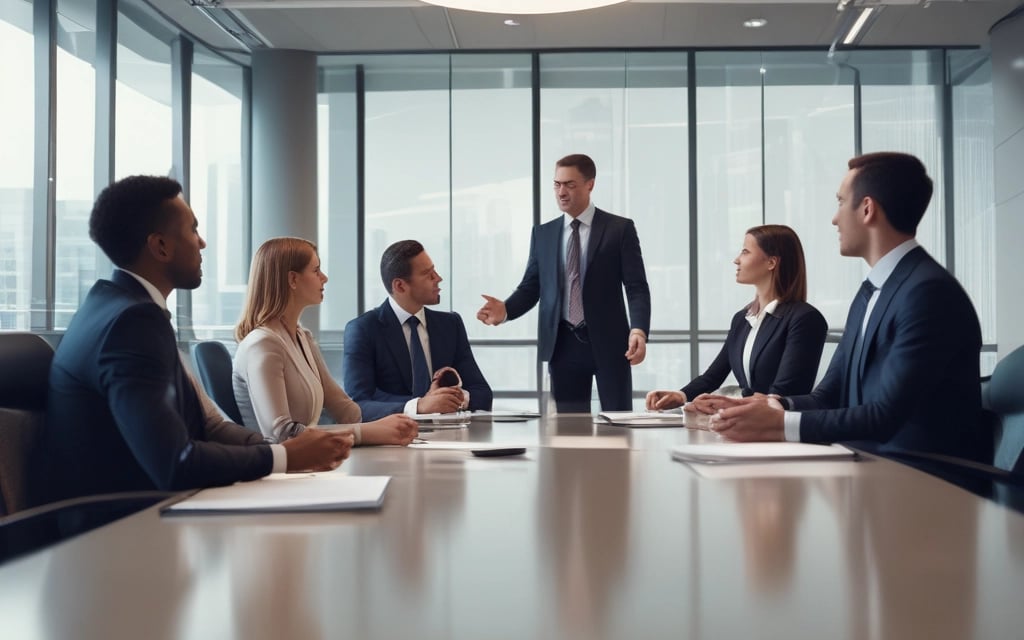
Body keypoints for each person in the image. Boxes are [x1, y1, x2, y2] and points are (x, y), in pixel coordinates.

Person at [37, 176, 352, 505]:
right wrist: (284, 459)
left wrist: (280, 452)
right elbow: (176, 463)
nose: (202, 243)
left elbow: (204, 426)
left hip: (144, 508)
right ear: (161, 246)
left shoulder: (117, 307)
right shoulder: (131, 323)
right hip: (121, 528)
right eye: (192, 230)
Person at [709, 152, 983, 459]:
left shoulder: (927, 293)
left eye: (840, 202)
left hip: (921, 477)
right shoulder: (871, 292)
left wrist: (781, 424)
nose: (834, 218)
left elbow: (885, 416)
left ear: (867, 209)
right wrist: (772, 405)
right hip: (868, 463)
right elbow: (831, 393)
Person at [477, 153, 651, 412]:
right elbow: (531, 287)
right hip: (562, 345)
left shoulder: (619, 229)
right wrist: (506, 310)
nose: (561, 192)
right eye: (557, 184)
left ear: (589, 184)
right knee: (570, 433)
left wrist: (638, 330)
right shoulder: (543, 234)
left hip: (610, 344)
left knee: (619, 425)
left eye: (569, 184)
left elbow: (636, 287)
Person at [233, 237, 419, 446]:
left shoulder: (301, 336)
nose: (325, 278)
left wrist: (405, 420)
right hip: (282, 469)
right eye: (316, 270)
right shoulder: (263, 344)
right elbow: (282, 435)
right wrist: (368, 432)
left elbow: (343, 407)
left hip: (308, 462)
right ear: (293, 280)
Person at [646, 225, 827, 413]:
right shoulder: (743, 319)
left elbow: (785, 392)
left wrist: (728, 403)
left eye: (745, 252)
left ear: (771, 262)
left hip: (777, 428)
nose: (736, 260)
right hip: (746, 423)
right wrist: (680, 396)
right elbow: (712, 377)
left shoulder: (805, 319)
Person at [343, 240, 493, 421]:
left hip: (448, 438)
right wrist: (420, 406)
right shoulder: (363, 329)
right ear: (400, 286)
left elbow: (483, 394)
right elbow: (357, 404)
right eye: (427, 274)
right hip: (391, 442)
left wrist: (449, 399)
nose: (438, 278)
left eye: (434, 270)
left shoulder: (450, 325)